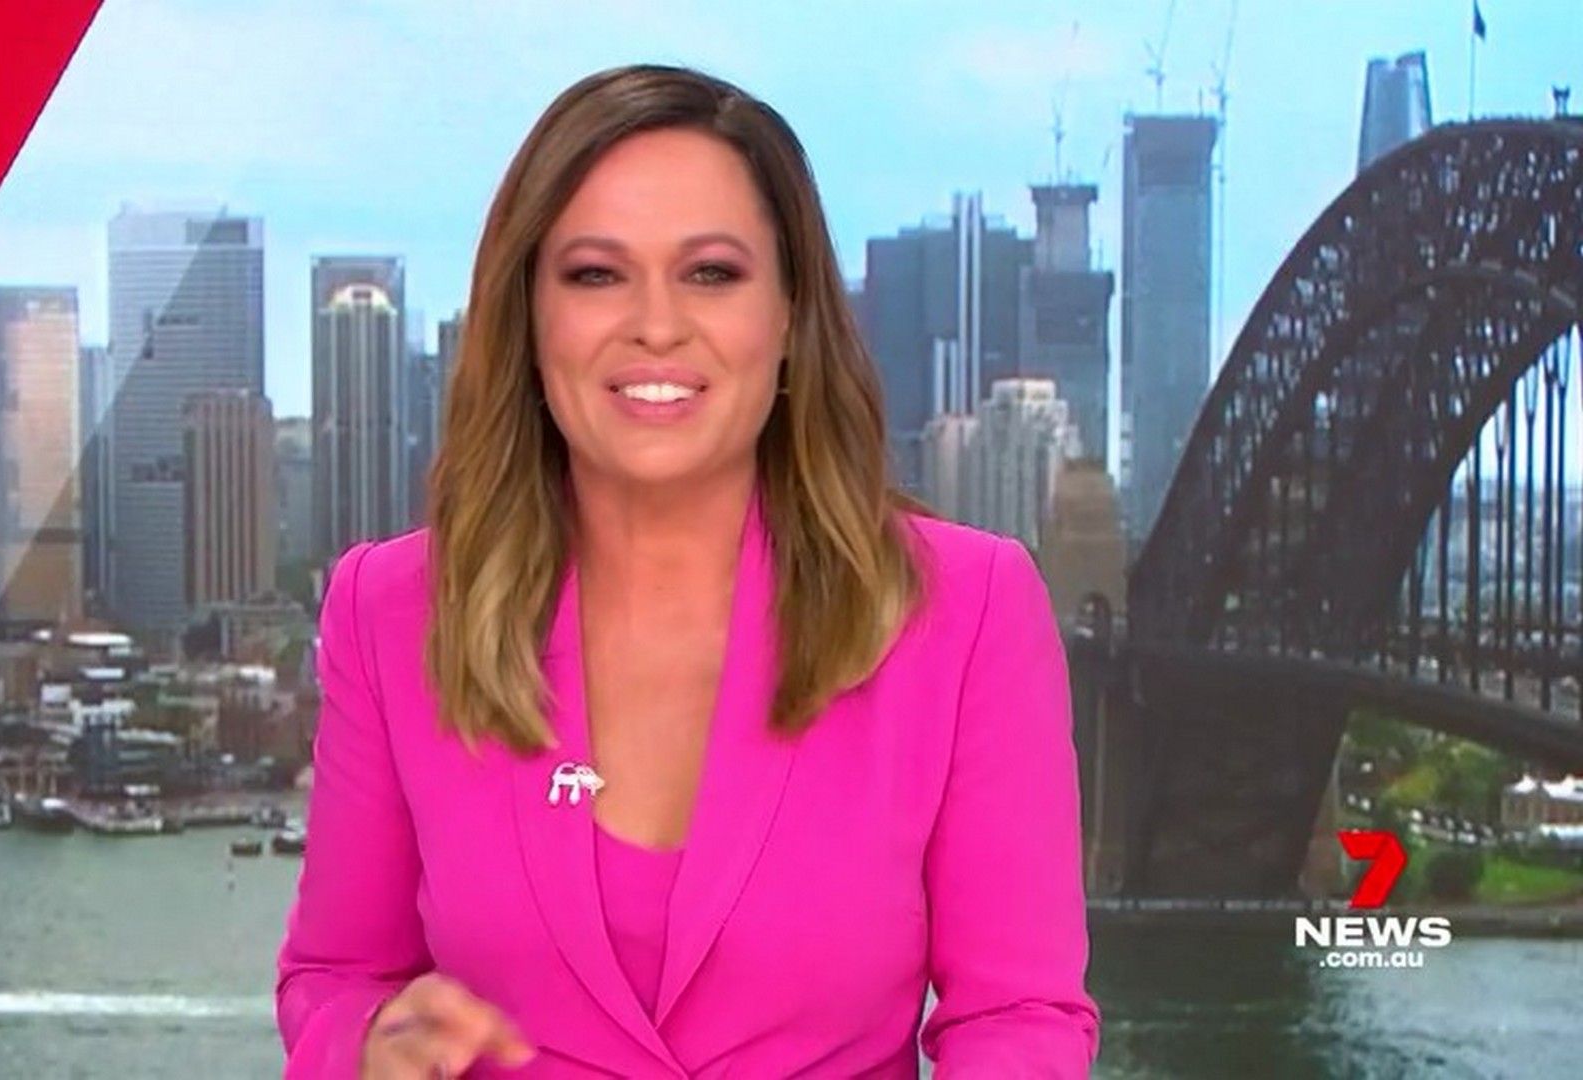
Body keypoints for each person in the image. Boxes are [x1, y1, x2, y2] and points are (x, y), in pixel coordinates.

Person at [275, 62, 1100, 1078]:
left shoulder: (966, 611)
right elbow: (336, 977)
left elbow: (1017, 1015)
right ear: (527, 319)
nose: (657, 325)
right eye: (595, 274)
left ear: (790, 315)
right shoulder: (390, 612)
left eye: (711, 273)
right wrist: (368, 1045)